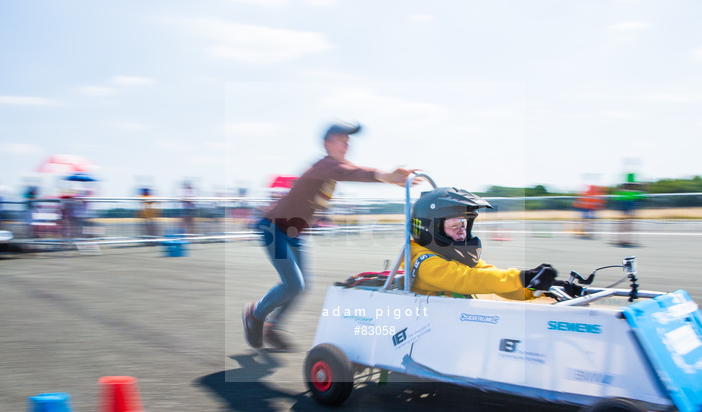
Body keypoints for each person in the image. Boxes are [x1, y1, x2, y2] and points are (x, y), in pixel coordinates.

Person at [243, 121, 416, 350]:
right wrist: (385, 175)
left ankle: (272, 327)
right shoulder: (324, 166)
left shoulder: (332, 170)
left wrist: (387, 178)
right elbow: (351, 172)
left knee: (299, 286)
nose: (347, 144)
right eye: (342, 139)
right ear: (327, 143)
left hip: (295, 234)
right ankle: (255, 314)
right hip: (273, 229)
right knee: (293, 284)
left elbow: (351, 171)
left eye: (348, 140)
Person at [408, 187, 569, 299]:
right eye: (453, 225)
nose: (461, 231)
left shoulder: (454, 257)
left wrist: (541, 287)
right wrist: (521, 277)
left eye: (463, 224)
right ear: (428, 228)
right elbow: (468, 279)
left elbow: (494, 282)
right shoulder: (424, 263)